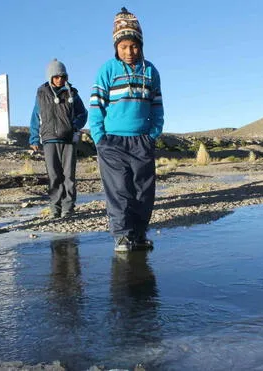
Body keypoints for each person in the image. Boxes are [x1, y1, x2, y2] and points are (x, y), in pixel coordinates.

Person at [88, 7, 164, 252]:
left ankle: (139, 234)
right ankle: (122, 236)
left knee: (144, 192)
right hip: (113, 143)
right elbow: (96, 106)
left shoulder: (151, 71)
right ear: (116, 48)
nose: (129, 52)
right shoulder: (107, 70)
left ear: (140, 45)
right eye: (123, 47)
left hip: (142, 141)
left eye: (134, 46)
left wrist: (152, 135)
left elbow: (157, 107)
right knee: (120, 191)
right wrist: (99, 138)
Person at [29, 59, 88, 218]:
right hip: (49, 140)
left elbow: (83, 113)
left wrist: (74, 126)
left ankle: (68, 207)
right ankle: (55, 208)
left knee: (68, 176)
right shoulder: (41, 93)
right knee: (54, 175)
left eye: (63, 76)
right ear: (50, 77)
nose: (60, 79)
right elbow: (35, 116)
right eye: (56, 76)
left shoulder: (72, 93)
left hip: (68, 140)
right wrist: (34, 138)